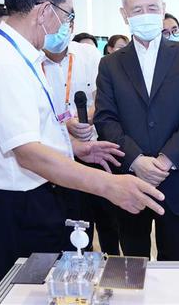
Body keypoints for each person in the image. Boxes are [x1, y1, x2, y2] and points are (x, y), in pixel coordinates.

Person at [0, 0, 165, 282]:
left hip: (38, 198)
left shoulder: (23, 58)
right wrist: (109, 186)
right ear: (44, 11)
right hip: (19, 207)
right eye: (66, 14)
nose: (66, 24)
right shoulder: (3, 65)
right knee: (27, 293)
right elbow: (27, 152)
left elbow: (30, 132)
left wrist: (73, 149)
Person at [94, 0, 179, 261]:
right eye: (137, 10)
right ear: (124, 14)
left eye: (152, 7)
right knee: (134, 269)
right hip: (130, 181)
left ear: (163, 9)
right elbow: (106, 119)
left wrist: (165, 160)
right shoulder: (110, 64)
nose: (145, 15)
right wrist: (136, 160)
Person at [43, 23, 121, 255]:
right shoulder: (33, 61)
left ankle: (111, 261)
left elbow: (103, 95)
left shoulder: (87, 54)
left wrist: (91, 117)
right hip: (60, 155)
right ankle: (80, 266)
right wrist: (66, 125)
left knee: (108, 218)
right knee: (75, 222)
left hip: (97, 150)